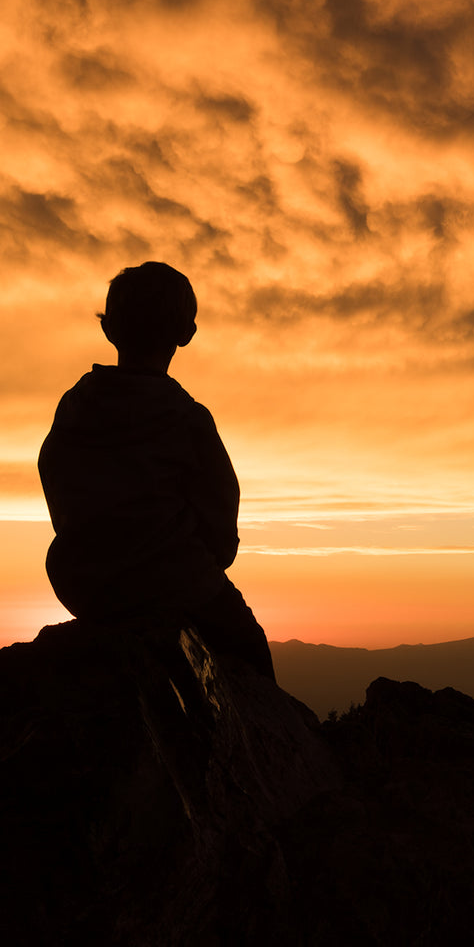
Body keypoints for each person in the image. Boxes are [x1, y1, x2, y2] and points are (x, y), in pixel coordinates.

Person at [38, 261, 276, 681]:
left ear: (108, 329)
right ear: (186, 334)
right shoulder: (186, 417)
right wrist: (207, 562)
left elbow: (54, 474)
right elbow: (221, 507)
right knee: (250, 651)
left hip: (83, 583)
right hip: (173, 581)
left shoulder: (75, 405)